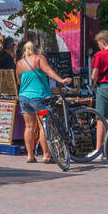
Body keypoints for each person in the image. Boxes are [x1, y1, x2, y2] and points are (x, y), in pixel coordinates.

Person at [17, 34, 68, 163]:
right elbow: (48, 71)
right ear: (36, 49)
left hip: (24, 97)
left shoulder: (19, 63)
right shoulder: (39, 59)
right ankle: (46, 155)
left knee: (29, 126)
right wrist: (61, 80)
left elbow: (19, 81)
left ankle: (30, 156)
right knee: (42, 125)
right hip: (39, 97)